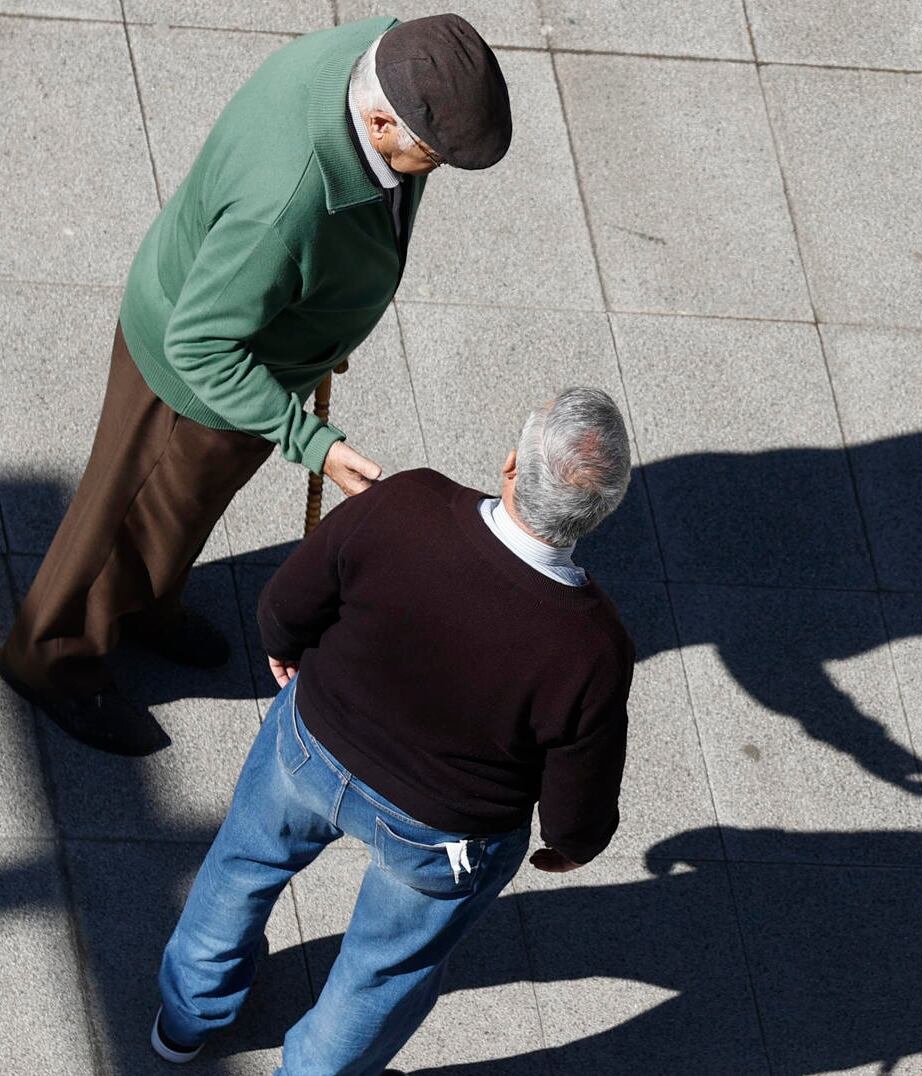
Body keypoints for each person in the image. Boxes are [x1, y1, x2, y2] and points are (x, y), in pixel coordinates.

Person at [0, 13, 512, 756]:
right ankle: (51, 657)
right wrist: (311, 443)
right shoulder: (288, 204)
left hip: (253, 339)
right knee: (125, 514)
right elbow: (200, 345)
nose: (430, 170)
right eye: (428, 155)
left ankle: (145, 604)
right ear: (377, 120)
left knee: (176, 516)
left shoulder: (377, 57)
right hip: (192, 383)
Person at [150, 389, 635, 1073]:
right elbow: (579, 778)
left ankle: (185, 1015)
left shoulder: (409, 504)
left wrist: (285, 645)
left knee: (242, 869)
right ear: (601, 511)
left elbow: (287, 602)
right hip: (443, 830)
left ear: (509, 466)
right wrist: (572, 844)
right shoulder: (594, 645)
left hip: (311, 745)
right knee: (381, 973)